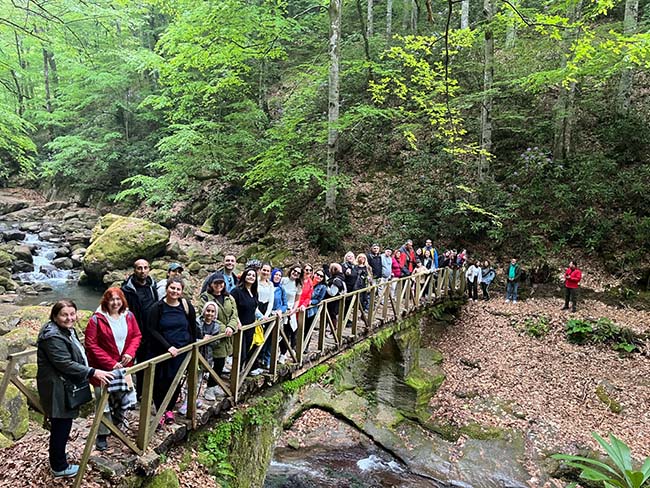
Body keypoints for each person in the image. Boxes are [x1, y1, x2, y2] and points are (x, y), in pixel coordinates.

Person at [37, 300, 114, 478]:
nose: (69, 318)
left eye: (72, 314)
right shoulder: (52, 337)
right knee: (61, 425)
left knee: (63, 424)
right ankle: (59, 467)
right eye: (64, 315)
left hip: (62, 384)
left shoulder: (65, 331)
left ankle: (59, 458)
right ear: (55, 316)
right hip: (57, 387)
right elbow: (64, 363)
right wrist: (93, 372)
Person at [84, 288, 141, 451]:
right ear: (106, 301)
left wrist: (130, 352)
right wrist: (110, 363)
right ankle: (102, 434)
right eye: (112, 300)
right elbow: (91, 344)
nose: (115, 303)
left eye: (118, 299)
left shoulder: (129, 316)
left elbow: (136, 335)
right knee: (103, 401)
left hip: (124, 366)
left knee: (122, 395)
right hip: (102, 370)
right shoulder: (96, 319)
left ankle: (117, 422)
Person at [147, 277, 197, 425]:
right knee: (160, 381)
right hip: (162, 350)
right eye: (172, 288)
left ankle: (169, 409)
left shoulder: (186, 306)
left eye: (178, 289)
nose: (175, 291)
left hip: (182, 351)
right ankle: (160, 410)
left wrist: (193, 347)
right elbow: (152, 329)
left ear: (182, 291)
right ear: (167, 288)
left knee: (175, 380)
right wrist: (167, 346)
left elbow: (192, 327)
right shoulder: (157, 308)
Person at [121, 258, 158, 400]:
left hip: (151, 332)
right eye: (139, 268)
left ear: (149, 269)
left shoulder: (152, 286)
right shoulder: (127, 290)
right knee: (129, 362)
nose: (143, 271)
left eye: (145, 268)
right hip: (133, 333)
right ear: (134, 270)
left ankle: (144, 393)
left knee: (148, 362)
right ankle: (126, 396)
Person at [198, 273, 238, 400]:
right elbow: (204, 314)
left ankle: (213, 386)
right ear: (211, 284)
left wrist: (231, 326)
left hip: (227, 336)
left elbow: (234, 314)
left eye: (221, 283)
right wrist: (223, 328)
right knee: (210, 363)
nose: (219, 285)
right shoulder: (205, 297)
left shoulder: (228, 297)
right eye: (216, 283)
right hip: (213, 334)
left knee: (220, 362)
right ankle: (207, 389)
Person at [230, 267, 261, 369]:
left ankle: (240, 372)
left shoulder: (254, 292)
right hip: (240, 326)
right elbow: (232, 308)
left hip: (250, 326)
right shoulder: (236, 291)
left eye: (253, 275)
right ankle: (235, 375)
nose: (251, 277)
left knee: (247, 350)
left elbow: (254, 309)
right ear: (244, 276)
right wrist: (237, 321)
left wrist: (261, 318)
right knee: (240, 354)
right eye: (249, 275)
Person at [279, 265, 303, 363]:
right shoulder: (283, 280)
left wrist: (294, 309)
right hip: (280, 309)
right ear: (291, 270)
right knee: (278, 333)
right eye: (294, 271)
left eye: (298, 273)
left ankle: (283, 354)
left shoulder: (298, 285)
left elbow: (297, 299)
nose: (295, 273)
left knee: (287, 333)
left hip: (289, 311)